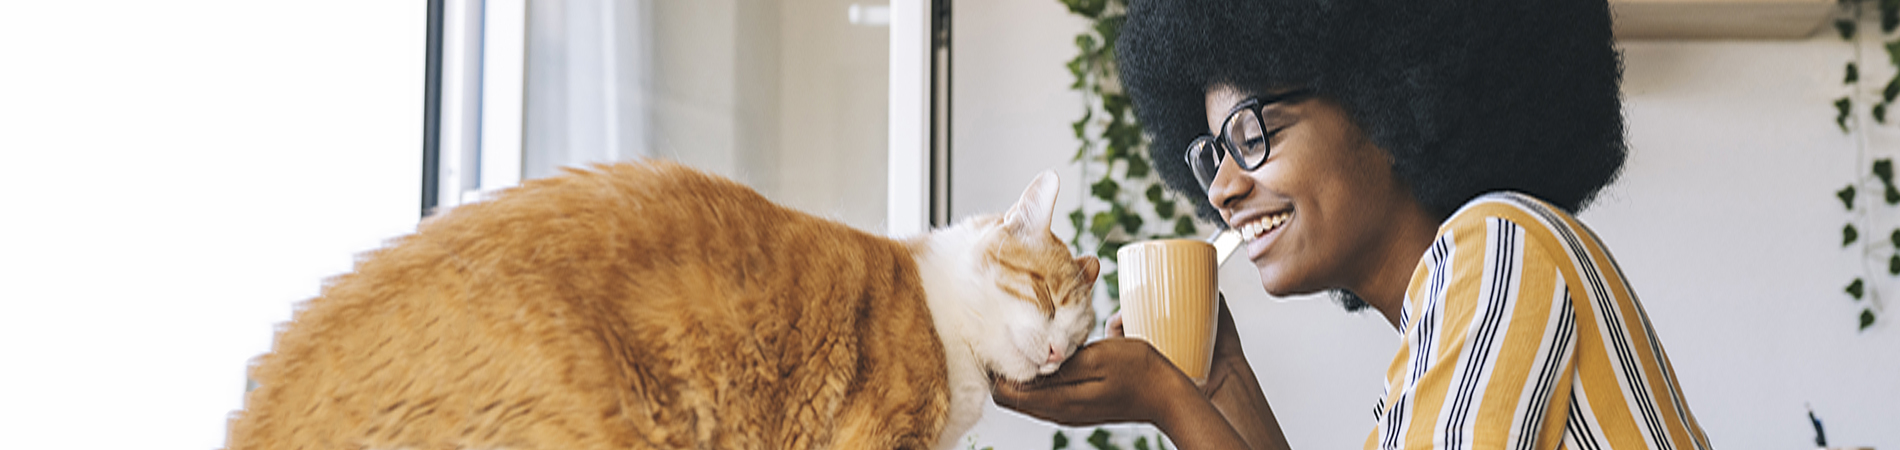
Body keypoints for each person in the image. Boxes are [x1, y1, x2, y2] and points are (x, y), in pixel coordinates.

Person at [989, 0, 1713, 449]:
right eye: (1211, 155)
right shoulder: (1436, 339)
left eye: (1252, 134)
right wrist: (1217, 384)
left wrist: (1164, 397)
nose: (1222, 188)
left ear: (1392, 104)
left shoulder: (1504, 247)